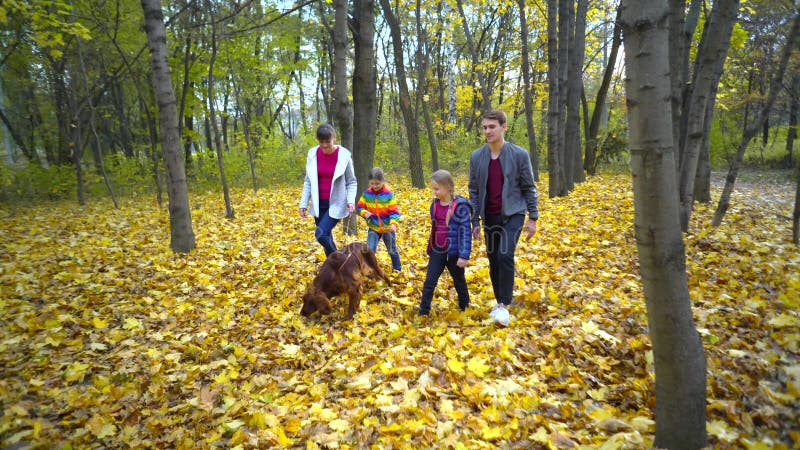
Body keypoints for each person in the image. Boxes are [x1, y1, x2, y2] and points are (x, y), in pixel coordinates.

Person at [468, 109, 539, 327]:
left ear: (503, 127)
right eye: (485, 127)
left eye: (492, 127)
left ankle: (504, 307)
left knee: (505, 254)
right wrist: (475, 221)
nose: (487, 131)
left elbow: (529, 187)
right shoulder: (477, 156)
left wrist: (533, 217)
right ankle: (499, 303)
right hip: (489, 215)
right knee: (493, 260)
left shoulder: (519, 154)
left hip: (513, 214)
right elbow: (474, 191)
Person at [419, 170, 473, 316]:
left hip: (454, 253)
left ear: (448, 187)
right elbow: (435, 227)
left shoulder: (460, 206)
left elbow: (465, 232)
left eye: (437, 188)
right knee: (429, 281)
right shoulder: (435, 205)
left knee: (459, 281)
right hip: (438, 250)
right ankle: (423, 312)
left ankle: (465, 308)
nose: (434, 192)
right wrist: (431, 247)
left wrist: (464, 255)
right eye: (433, 189)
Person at [299, 124, 358, 257]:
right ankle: (334, 271)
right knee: (326, 237)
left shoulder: (344, 157)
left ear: (334, 139)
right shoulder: (313, 155)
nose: (325, 145)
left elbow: (351, 182)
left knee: (320, 234)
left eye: (328, 141)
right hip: (319, 204)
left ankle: (340, 260)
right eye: (321, 142)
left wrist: (350, 200)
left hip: (337, 202)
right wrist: (303, 203)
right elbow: (308, 181)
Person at [356, 167, 402, 271]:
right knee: (370, 249)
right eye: (372, 183)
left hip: (387, 228)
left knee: (392, 250)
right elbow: (359, 207)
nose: (375, 186)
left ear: (383, 181)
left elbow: (394, 212)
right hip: (373, 227)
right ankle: (369, 270)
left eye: (377, 183)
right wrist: (364, 213)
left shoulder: (388, 195)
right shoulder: (367, 194)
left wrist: (394, 224)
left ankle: (397, 269)